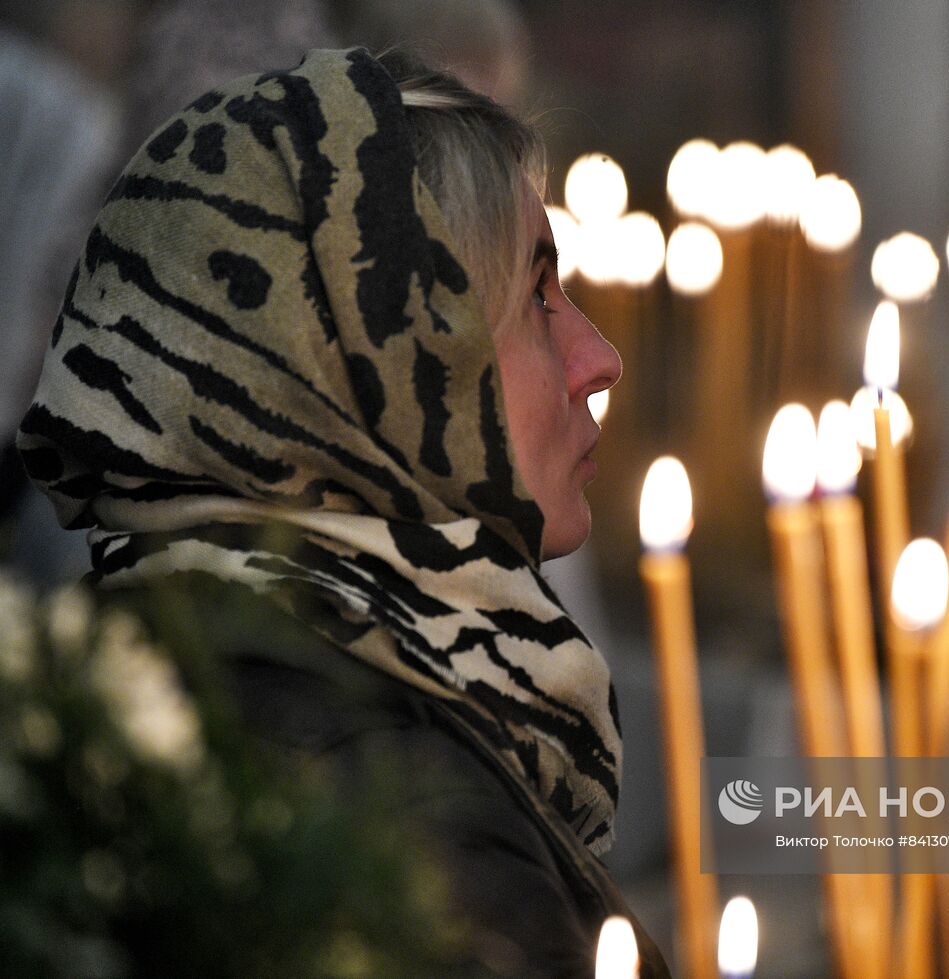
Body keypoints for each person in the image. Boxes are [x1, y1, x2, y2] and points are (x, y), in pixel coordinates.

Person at [17, 46, 669, 978]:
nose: (599, 357)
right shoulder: (384, 790)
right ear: (375, 368)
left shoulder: (175, 669)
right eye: (535, 296)